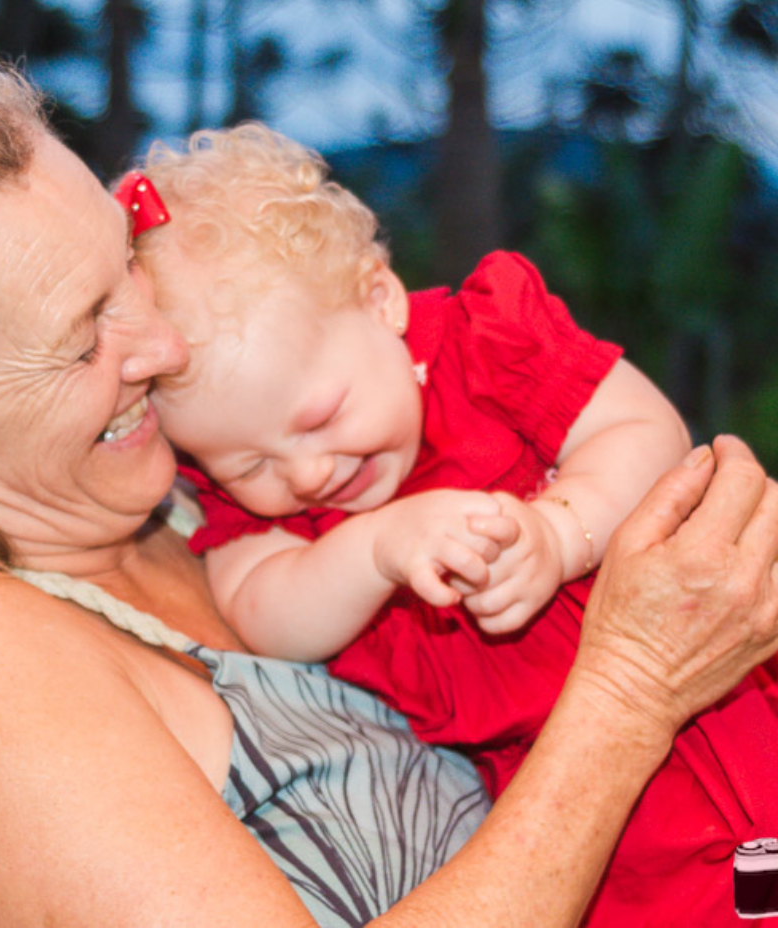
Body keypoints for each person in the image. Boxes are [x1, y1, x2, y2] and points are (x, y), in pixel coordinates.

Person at [0, 52, 775, 928]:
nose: (165, 347)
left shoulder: (183, 486)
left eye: (126, 268)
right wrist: (633, 687)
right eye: (83, 338)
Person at [135, 122, 778, 924]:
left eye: (318, 415)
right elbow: (264, 611)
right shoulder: (289, 528)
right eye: (248, 466)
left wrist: (559, 531)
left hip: (734, 697)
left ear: (380, 301)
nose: (305, 473)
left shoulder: (486, 348)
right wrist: (373, 547)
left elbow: (647, 435)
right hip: (593, 818)